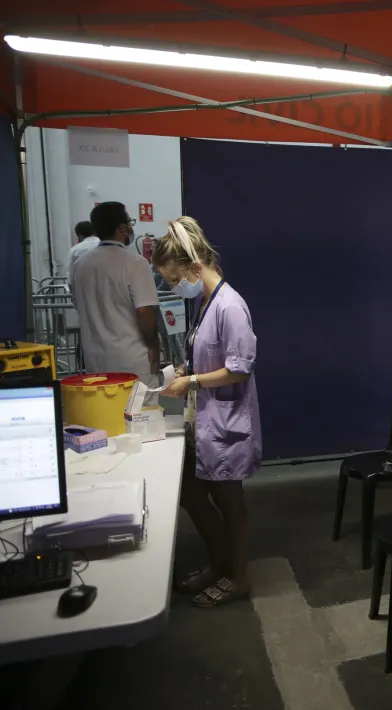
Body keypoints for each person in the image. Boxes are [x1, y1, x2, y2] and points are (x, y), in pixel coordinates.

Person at [154, 217, 261, 608]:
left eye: (174, 278)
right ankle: (220, 563)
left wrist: (193, 381)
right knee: (193, 496)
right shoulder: (206, 303)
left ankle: (238, 577)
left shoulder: (230, 307)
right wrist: (186, 370)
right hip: (206, 419)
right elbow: (209, 355)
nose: (173, 286)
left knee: (230, 504)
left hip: (226, 422)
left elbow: (239, 368)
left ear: (195, 268)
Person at [70, 202, 161, 377]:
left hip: (95, 360)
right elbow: (144, 311)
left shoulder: (80, 265)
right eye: (129, 223)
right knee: (139, 397)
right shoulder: (135, 263)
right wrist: (154, 346)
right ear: (121, 227)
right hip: (132, 361)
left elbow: (77, 303)